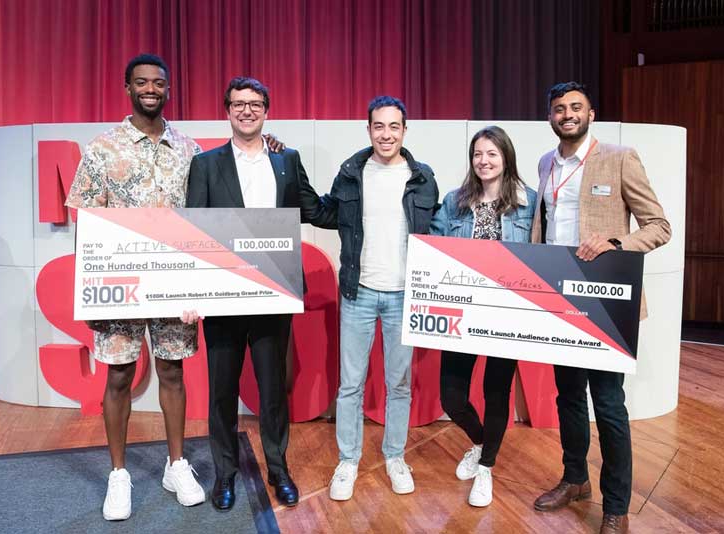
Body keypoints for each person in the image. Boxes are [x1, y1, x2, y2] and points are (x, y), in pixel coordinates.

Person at [183, 76, 334, 511]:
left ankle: (278, 470)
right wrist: (190, 294)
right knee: (222, 392)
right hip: (223, 294)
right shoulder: (206, 165)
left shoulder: (286, 160)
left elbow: (314, 209)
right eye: (238, 104)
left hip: (273, 291)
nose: (246, 111)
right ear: (227, 110)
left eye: (255, 104)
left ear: (267, 110)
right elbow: (194, 231)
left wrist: (360, 199)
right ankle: (225, 475)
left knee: (272, 392)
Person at [65, 54, 205, 521]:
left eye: (159, 83)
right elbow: (85, 220)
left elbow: (203, 220)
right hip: (119, 285)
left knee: (172, 374)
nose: (151, 89)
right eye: (142, 82)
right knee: (119, 376)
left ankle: (176, 465)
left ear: (168, 89)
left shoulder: (189, 149)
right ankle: (119, 475)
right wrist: (89, 291)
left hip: (172, 286)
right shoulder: (103, 148)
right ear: (127, 87)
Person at [530, 82, 671, 534]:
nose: (567, 114)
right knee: (567, 397)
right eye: (559, 109)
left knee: (608, 405)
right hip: (559, 297)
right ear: (550, 116)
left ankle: (616, 505)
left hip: (605, 301)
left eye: (575, 107)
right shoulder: (545, 163)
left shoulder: (619, 157)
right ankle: (575, 479)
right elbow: (543, 225)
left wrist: (617, 243)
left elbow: (659, 226)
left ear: (592, 112)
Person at [324, 96, 439, 501]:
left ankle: (394, 456)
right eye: (378, 126)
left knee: (399, 384)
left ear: (404, 131)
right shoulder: (351, 172)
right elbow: (325, 212)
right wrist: (290, 176)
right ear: (369, 129)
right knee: (350, 384)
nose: (386, 133)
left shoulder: (422, 177)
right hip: (359, 292)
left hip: (403, 295)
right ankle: (348, 460)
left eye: (394, 126)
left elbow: (438, 229)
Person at [430, 126, 536, 507]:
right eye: (478, 154)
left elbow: (541, 255)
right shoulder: (454, 202)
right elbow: (435, 248)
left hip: (507, 313)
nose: (484, 161)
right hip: (461, 310)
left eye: (492, 153)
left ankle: (487, 467)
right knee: (452, 396)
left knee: (496, 392)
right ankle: (480, 442)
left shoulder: (530, 203)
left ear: (505, 157)